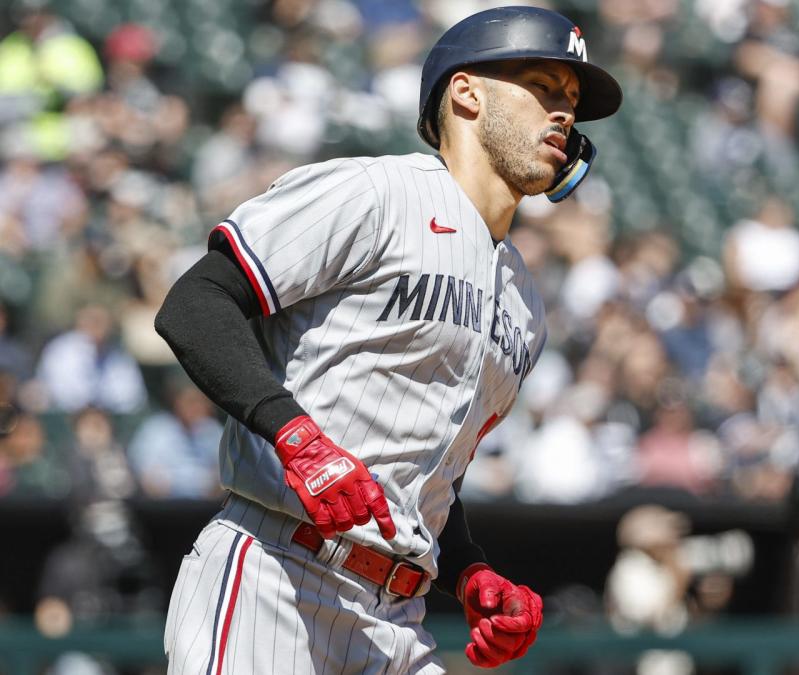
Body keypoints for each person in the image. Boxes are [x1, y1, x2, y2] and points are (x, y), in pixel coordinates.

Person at [152, 6, 621, 673]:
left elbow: (432, 472)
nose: (564, 113)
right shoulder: (374, 193)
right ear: (466, 92)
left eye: (572, 100)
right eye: (545, 85)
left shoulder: (527, 305)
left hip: (398, 616)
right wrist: (295, 435)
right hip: (278, 574)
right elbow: (195, 302)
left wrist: (469, 572)